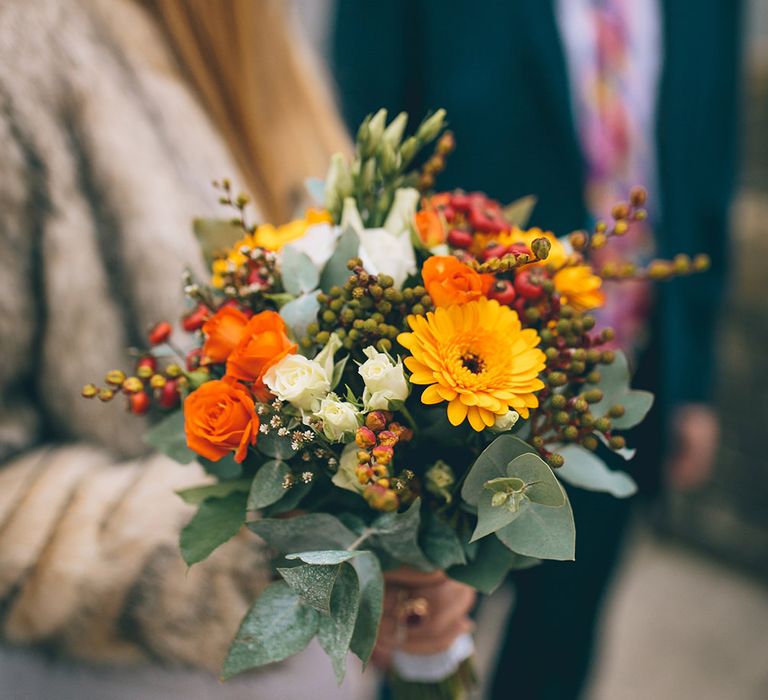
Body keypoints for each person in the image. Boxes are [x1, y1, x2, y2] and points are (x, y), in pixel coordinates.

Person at [331, 0, 743, 697]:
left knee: (563, 637)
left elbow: (707, 171)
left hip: (626, 385)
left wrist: (693, 380)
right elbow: (363, 146)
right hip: (452, 398)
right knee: (424, 645)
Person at [0, 1, 355, 697]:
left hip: (316, 663)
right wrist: (252, 556)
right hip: (110, 678)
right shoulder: (24, 49)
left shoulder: (268, 37)